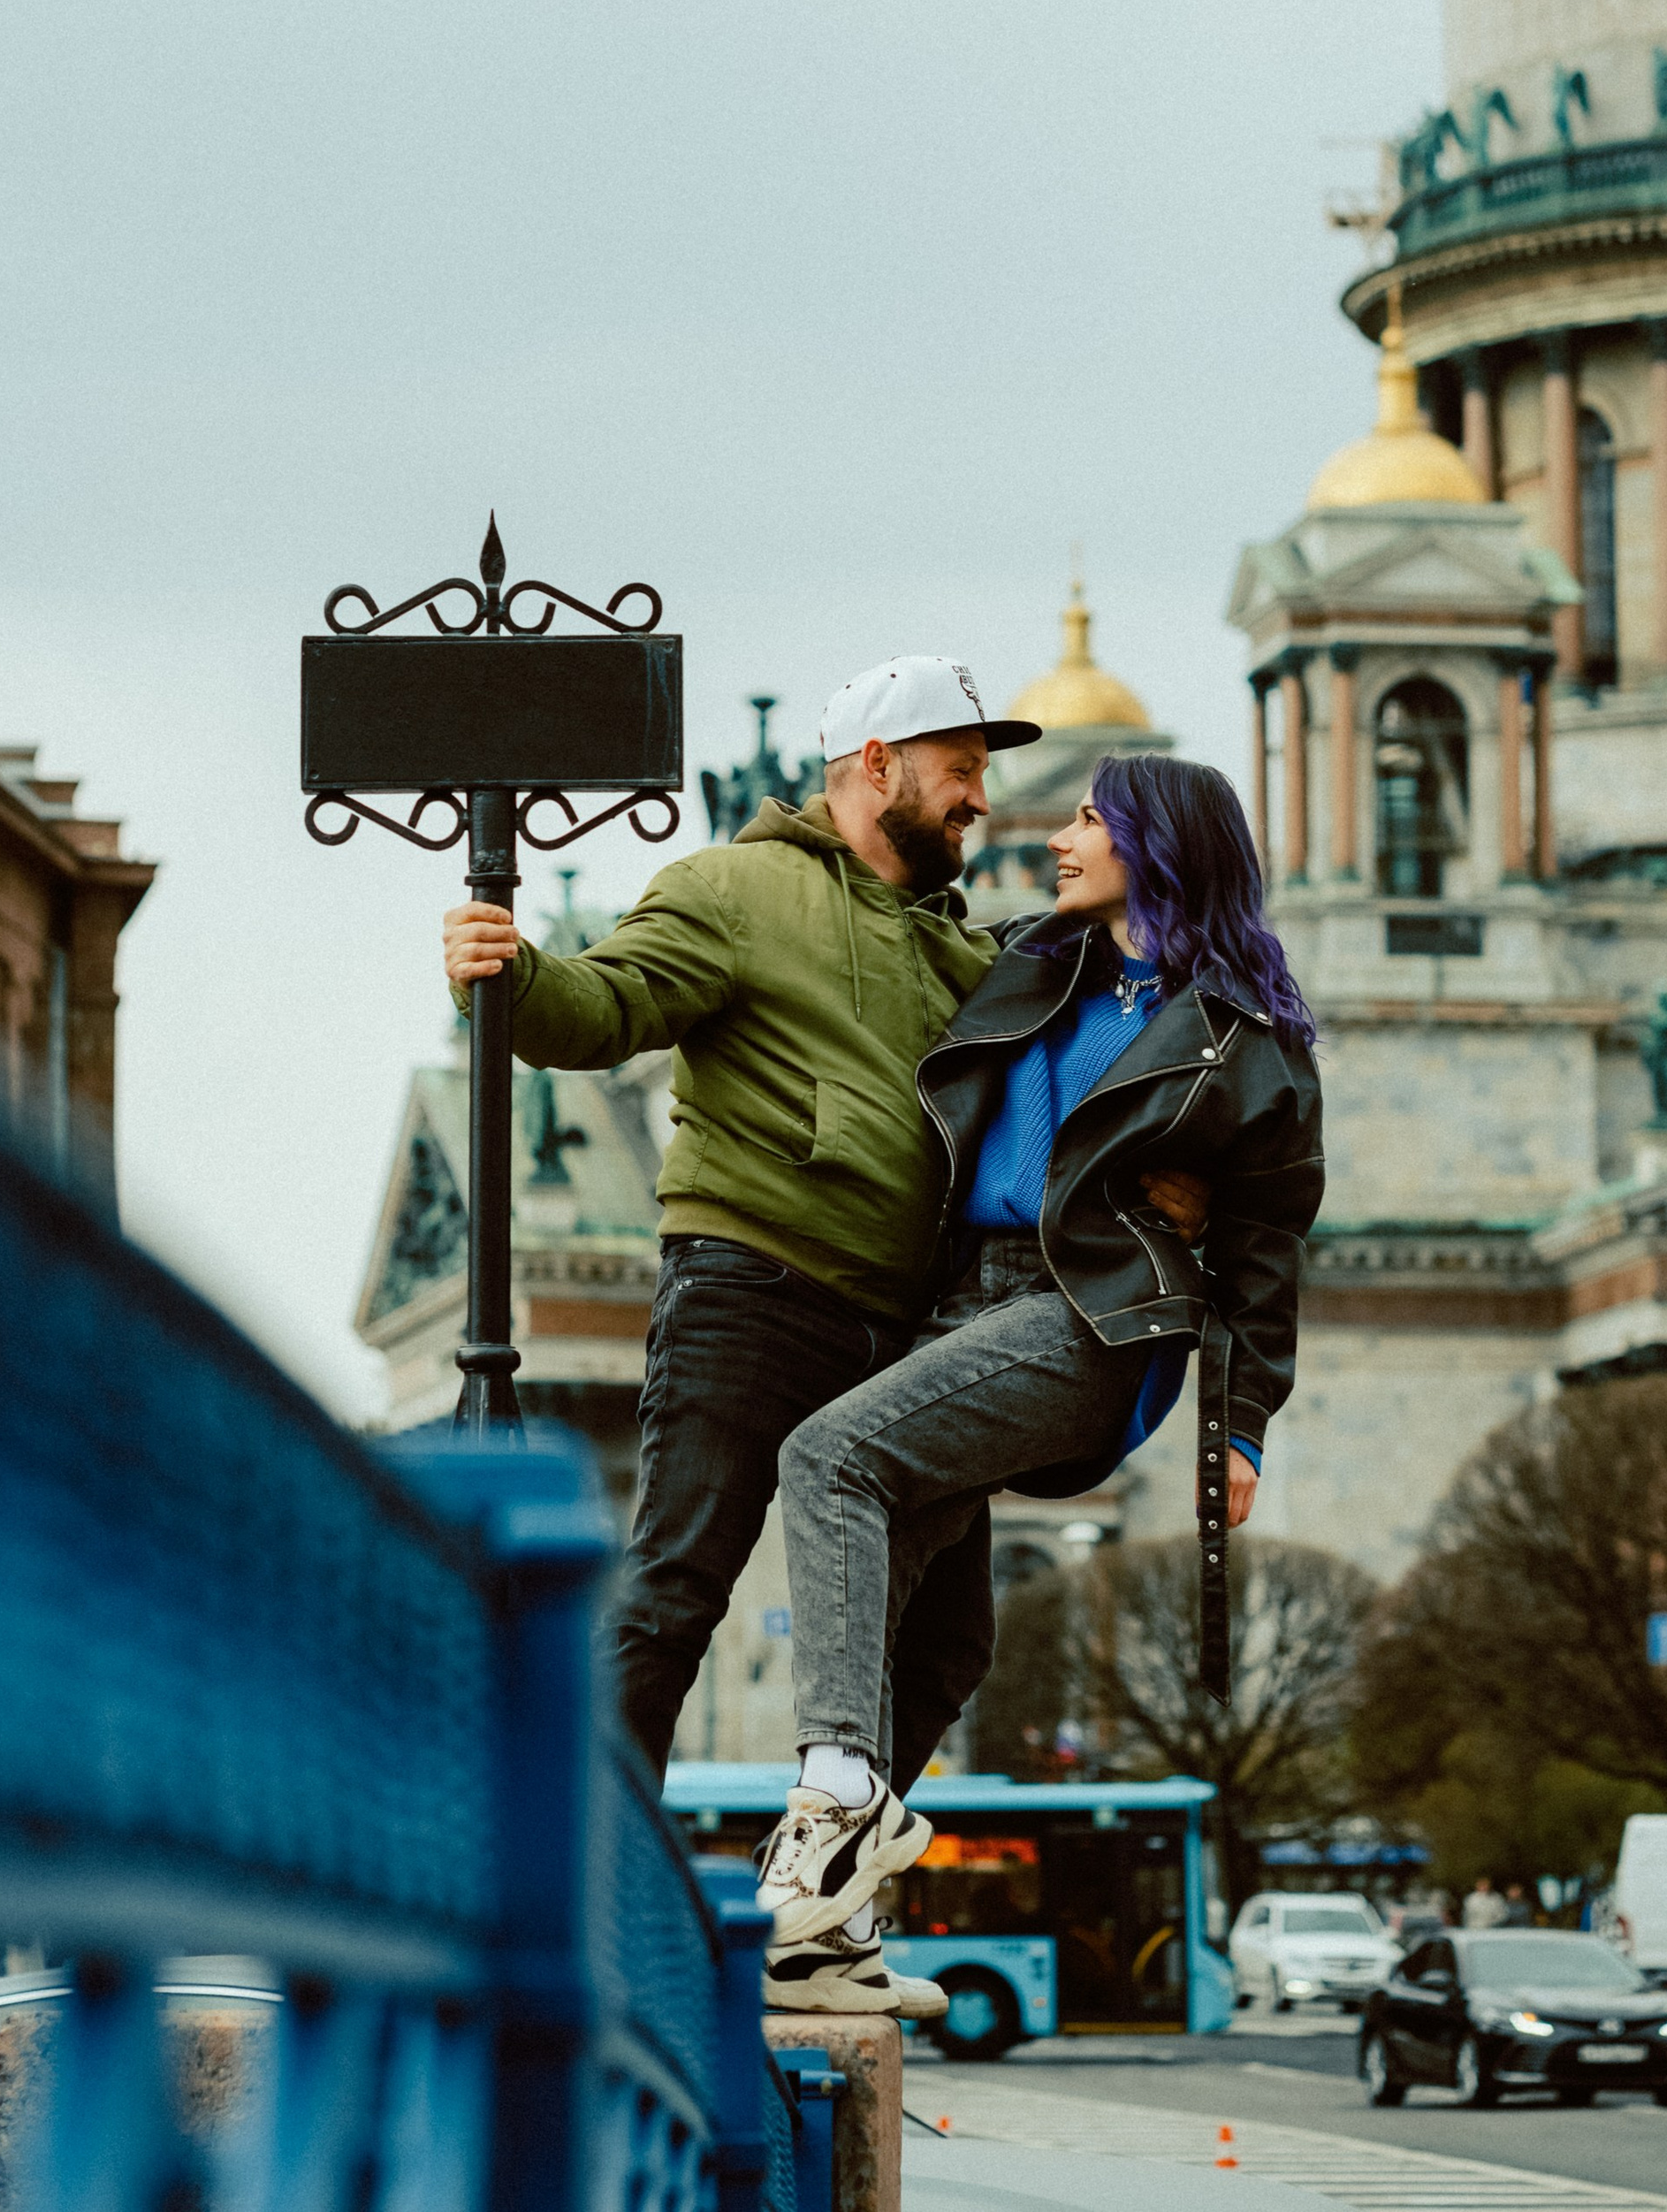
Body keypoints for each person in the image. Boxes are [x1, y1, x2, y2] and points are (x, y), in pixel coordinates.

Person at [442, 653, 1039, 2022]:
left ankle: (813, 1906)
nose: (979, 798)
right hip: (752, 1287)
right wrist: (509, 974)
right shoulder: (736, 889)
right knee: (676, 1583)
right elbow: (603, 1010)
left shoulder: (967, 949)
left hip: (906, 1335)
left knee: (948, 1641)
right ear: (874, 766)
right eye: (960, 766)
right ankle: (571, 1895)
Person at [754, 754, 1323, 1967]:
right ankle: (835, 1919)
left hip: (1092, 1320)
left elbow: (1268, 1251)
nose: (1057, 836)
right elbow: (882, 923)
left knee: (830, 1459)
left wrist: (1241, 1427)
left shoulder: (1245, 1041)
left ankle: (834, 1798)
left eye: (1085, 819)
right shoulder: (1029, 960)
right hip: (962, 1302)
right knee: (927, 1612)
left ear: (1153, 847)